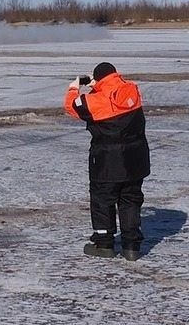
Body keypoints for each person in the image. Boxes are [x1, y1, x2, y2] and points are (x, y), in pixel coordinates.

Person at [64, 61, 151, 261]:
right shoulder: (132, 91)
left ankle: (104, 244)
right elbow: (114, 97)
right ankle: (131, 246)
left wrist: (74, 87)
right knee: (130, 199)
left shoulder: (95, 101)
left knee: (102, 200)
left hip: (107, 162)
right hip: (135, 160)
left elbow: (71, 106)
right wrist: (99, 85)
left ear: (98, 79)